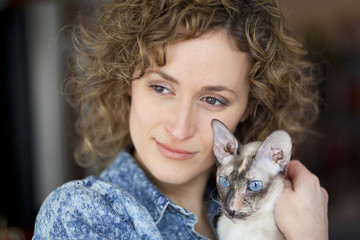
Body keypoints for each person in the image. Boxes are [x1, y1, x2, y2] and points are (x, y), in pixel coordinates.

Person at [33, 0, 328, 239]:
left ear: (249, 106)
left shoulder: (273, 213)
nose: (180, 128)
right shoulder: (81, 214)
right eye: (161, 88)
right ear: (127, 81)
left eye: (213, 100)